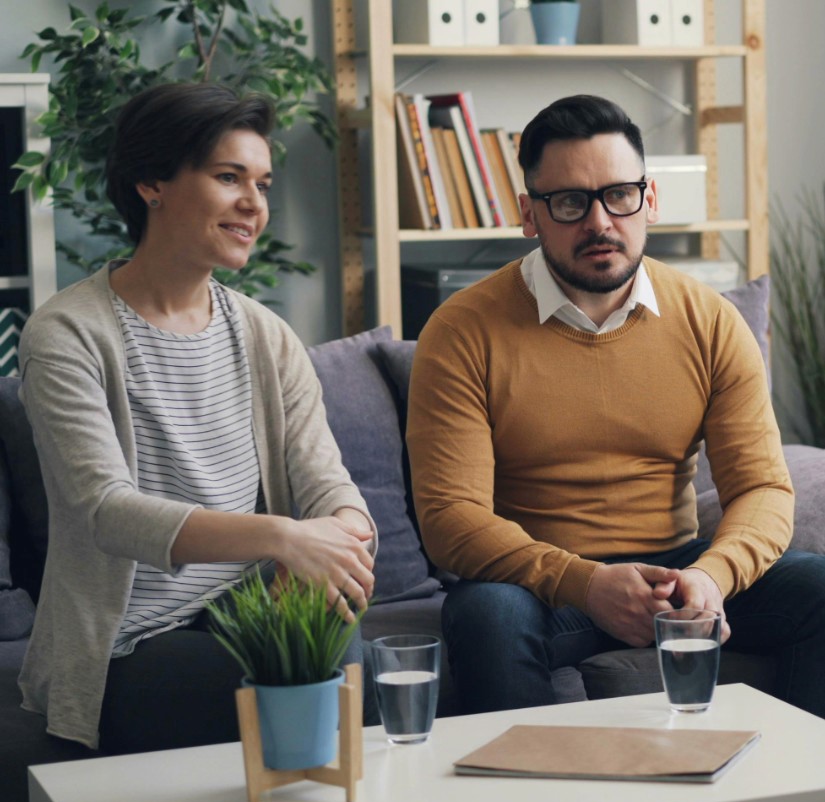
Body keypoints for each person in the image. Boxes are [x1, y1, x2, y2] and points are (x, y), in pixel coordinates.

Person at [407, 94, 825, 718]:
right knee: (486, 613)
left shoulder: (711, 321)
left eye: (620, 195)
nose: (600, 222)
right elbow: (450, 517)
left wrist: (711, 578)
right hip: (539, 584)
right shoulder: (463, 329)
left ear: (649, 199)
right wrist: (584, 582)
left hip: (678, 570)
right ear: (530, 214)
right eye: (570, 202)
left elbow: (764, 488)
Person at [17, 82, 377, 754]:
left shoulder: (266, 336)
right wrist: (281, 538)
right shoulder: (66, 332)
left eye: (262, 183)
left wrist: (340, 540)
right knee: (289, 678)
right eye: (228, 177)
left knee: (332, 630)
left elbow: (330, 485)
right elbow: (105, 509)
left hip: (249, 610)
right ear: (152, 182)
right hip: (129, 639)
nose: (254, 204)